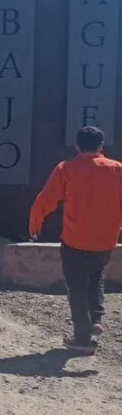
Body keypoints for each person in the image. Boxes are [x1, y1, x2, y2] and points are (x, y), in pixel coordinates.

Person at [30, 126, 121, 355]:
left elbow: (46, 199)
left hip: (75, 239)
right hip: (106, 240)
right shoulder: (118, 169)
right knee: (97, 276)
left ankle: (82, 338)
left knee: (77, 286)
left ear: (77, 146)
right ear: (101, 146)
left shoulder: (66, 168)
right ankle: (96, 318)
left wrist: (35, 224)